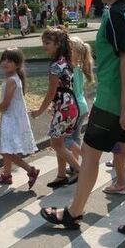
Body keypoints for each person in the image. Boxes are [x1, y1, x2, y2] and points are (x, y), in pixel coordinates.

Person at [41, 0, 125, 239]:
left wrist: (124, 107)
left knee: (91, 155)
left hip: (115, 100)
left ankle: (74, 212)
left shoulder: (116, 13)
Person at [31, 27, 81, 187]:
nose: (44, 46)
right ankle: (61, 175)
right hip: (70, 107)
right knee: (60, 142)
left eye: (48, 43)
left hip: (63, 109)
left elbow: (51, 92)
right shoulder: (66, 62)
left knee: (55, 143)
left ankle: (80, 170)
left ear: (58, 44)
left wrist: (39, 111)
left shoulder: (55, 66)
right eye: (43, 42)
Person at [0, 48, 40, 188]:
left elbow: (6, 103)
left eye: (10, 60)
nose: (5, 62)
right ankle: (6, 175)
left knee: (7, 150)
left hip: (12, 119)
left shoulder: (12, 80)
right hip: (13, 118)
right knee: (7, 149)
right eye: (3, 59)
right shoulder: (13, 77)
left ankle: (30, 170)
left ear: (17, 64)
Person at [64, 37, 94, 168]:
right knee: (76, 137)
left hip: (73, 108)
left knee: (65, 139)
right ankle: (74, 165)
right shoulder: (81, 68)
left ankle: (85, 158)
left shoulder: (70, 69)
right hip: (82, 107)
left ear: (73, 51)